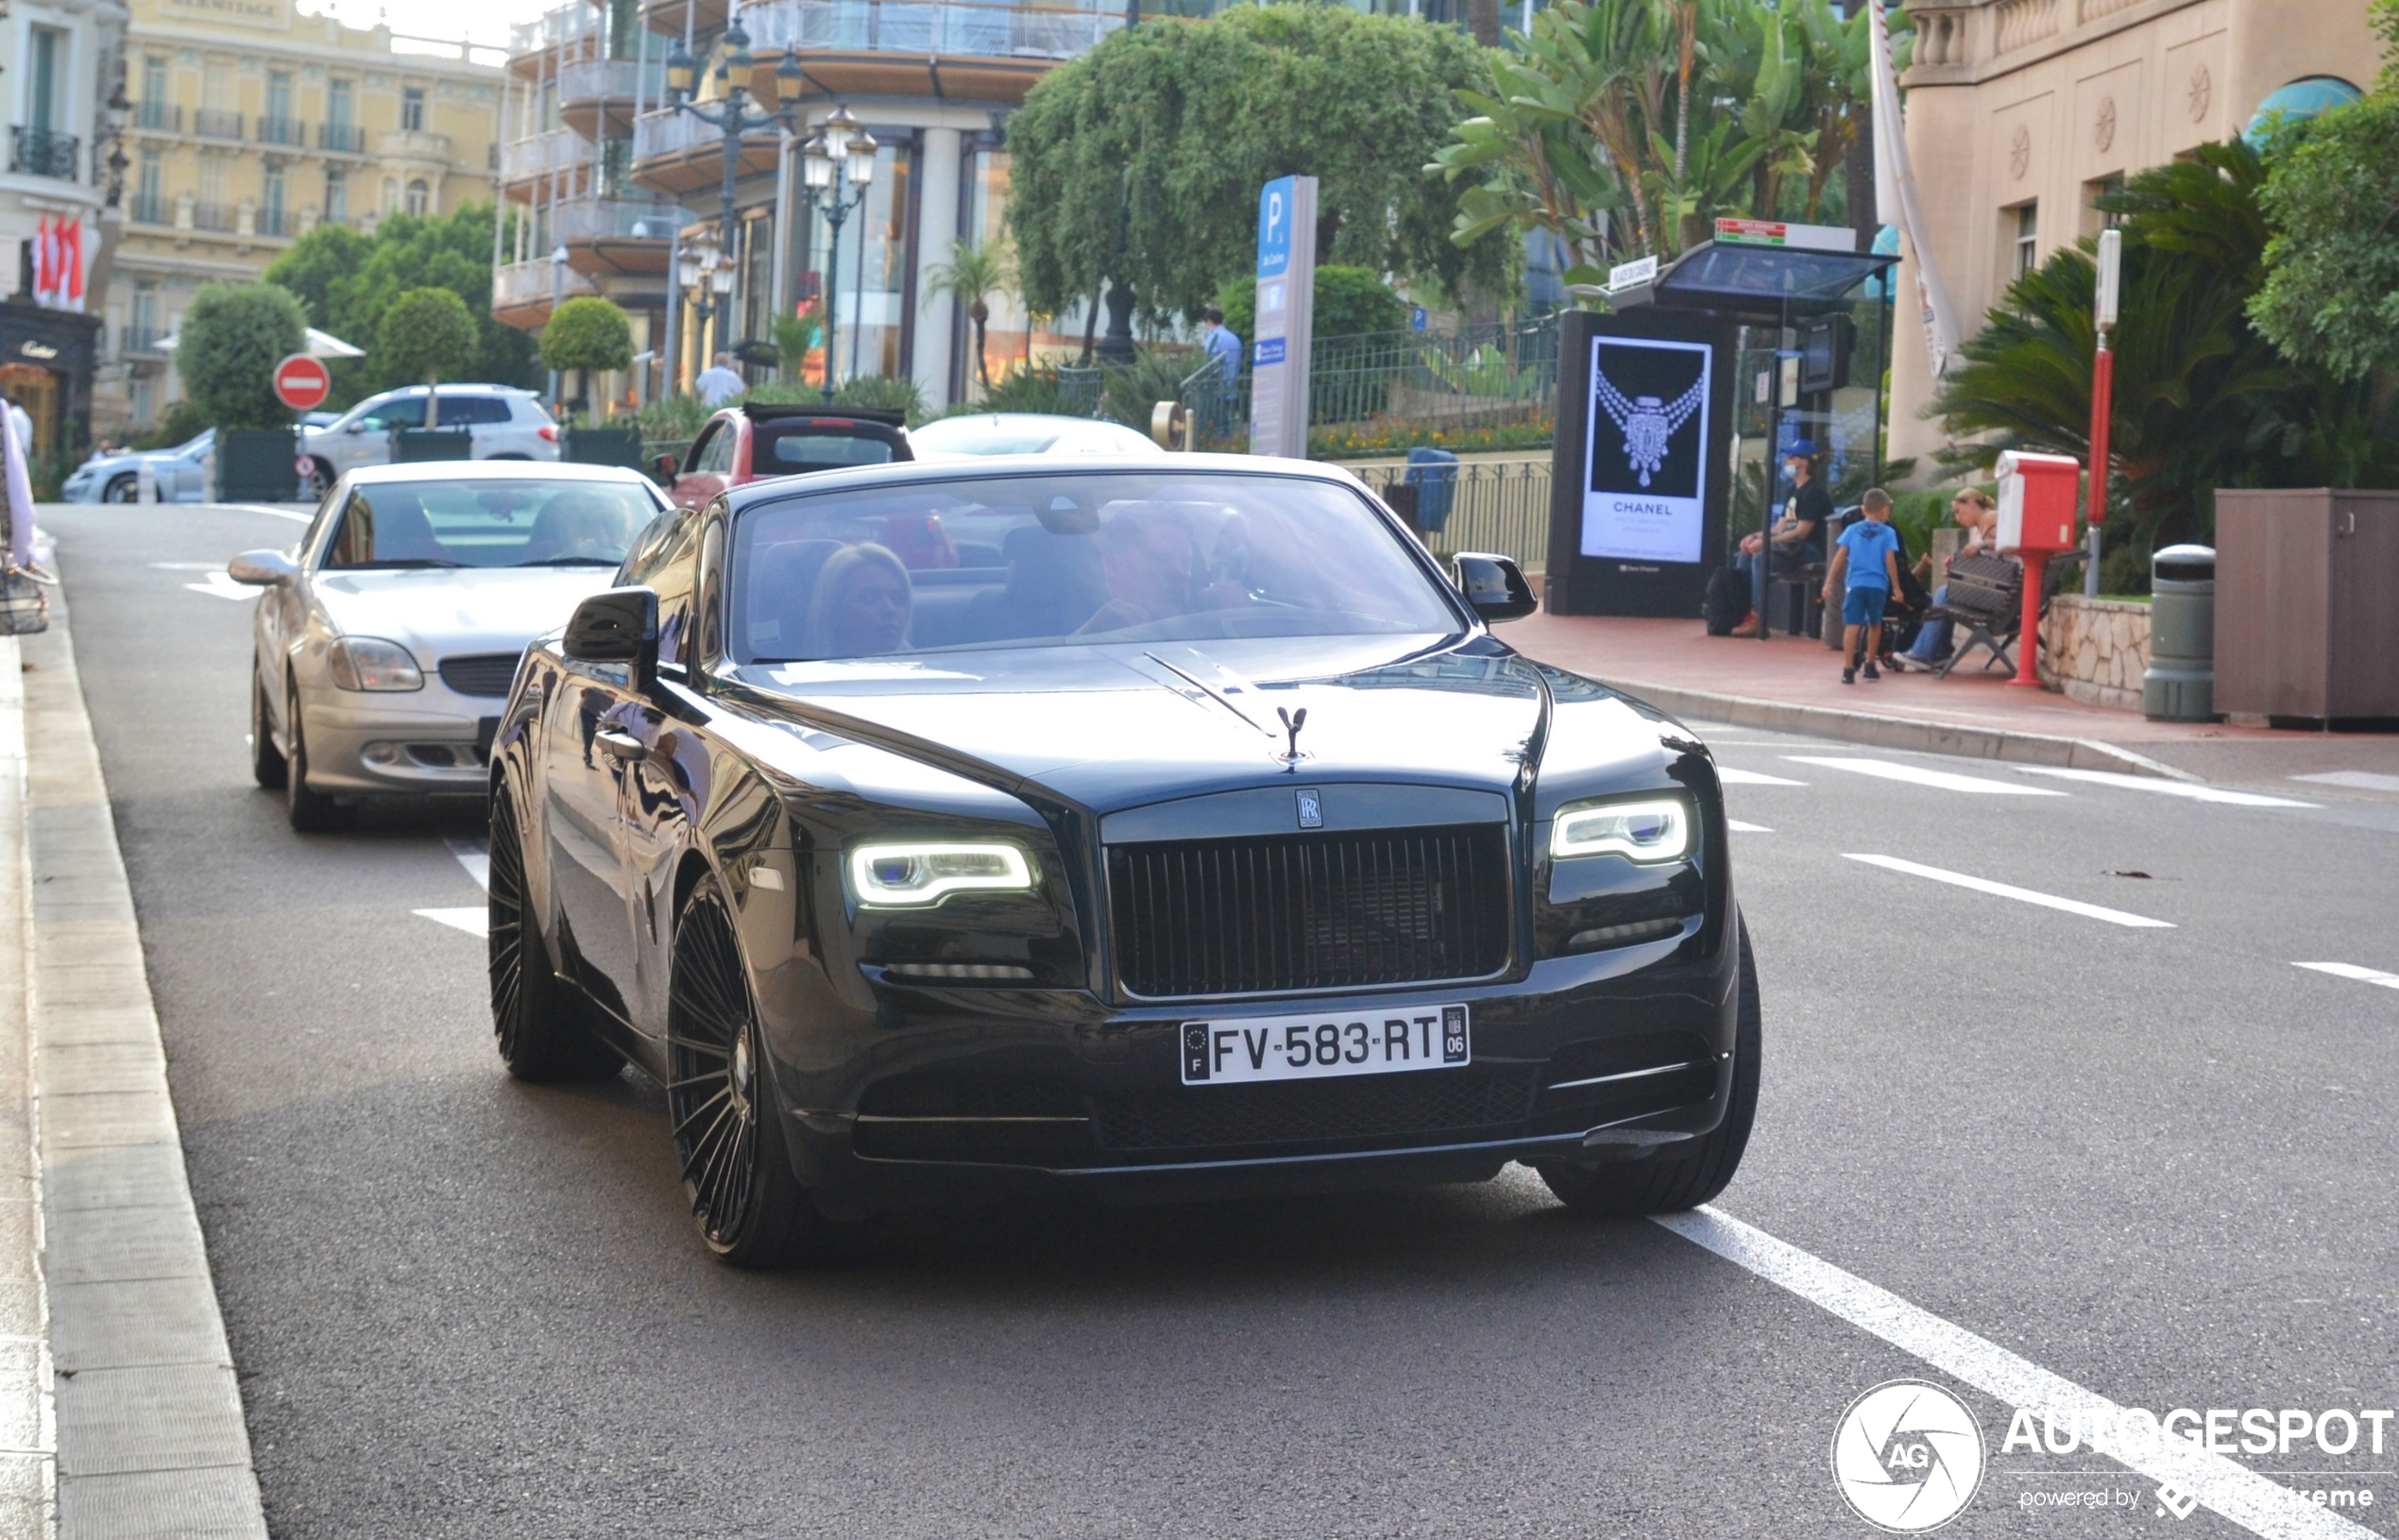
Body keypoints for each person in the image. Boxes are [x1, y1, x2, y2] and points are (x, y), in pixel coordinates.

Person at [1727, 442, 1831, 637]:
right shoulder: (1794, 490)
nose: (1786, 460)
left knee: (1761, 558)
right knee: (1745, 555)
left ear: (1804, 462)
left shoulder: (1814, 492)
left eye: (1791, 457)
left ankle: (1759, 619)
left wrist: (1766, 543)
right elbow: (1779, 527)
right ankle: (1743, 612)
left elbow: (1801, 532)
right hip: (1792, 547)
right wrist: (1755, 536)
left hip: (1810, 549)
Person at [1897, 487, 1998, 669]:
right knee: (1947, 591)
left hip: (1996, 595)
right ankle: (1941, 651)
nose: (1958, 519)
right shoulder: (1979, 527)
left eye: (1959, 512)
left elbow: (2008, 544)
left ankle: (1924, 653)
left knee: (1944, 593)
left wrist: (1981, 543)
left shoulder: (1991, 518)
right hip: (1994, 589)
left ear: (1971, 504)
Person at [1822, 487, 1903, 685]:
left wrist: (1829, 582)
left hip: (1855, 584)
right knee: (1875, 625)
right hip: (1878, 585)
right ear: (1885, 510)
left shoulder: (1851, 530)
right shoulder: (1888, 533)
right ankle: (1869, 665)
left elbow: (1839, 557)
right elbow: (1890, 560)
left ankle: (1848, 669)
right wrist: (1897, 588)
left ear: (1864, 510)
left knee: (1852, 625)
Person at [1077, 506, 1196, 635]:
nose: (1180, 573)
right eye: (1161, 560)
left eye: (1186, 563)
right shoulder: (1073, 629)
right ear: (1113, 568)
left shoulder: (1212, 633)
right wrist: (1091, 632)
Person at [806, 542, 911, 657]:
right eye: (869, 598)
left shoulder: (916, 666)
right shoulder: (804, 671)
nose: (889, 609)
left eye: (898, 599)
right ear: (833, 610)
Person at [1199, 308, 1242, 440]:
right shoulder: (1234, 338)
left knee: (1215, 416)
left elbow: (1210, 362)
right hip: (1232, 381)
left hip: (1217, 383)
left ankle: (1217, 439)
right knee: (1226, 416)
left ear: (1210, 321)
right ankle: (1226, 438)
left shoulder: (1214, 338)